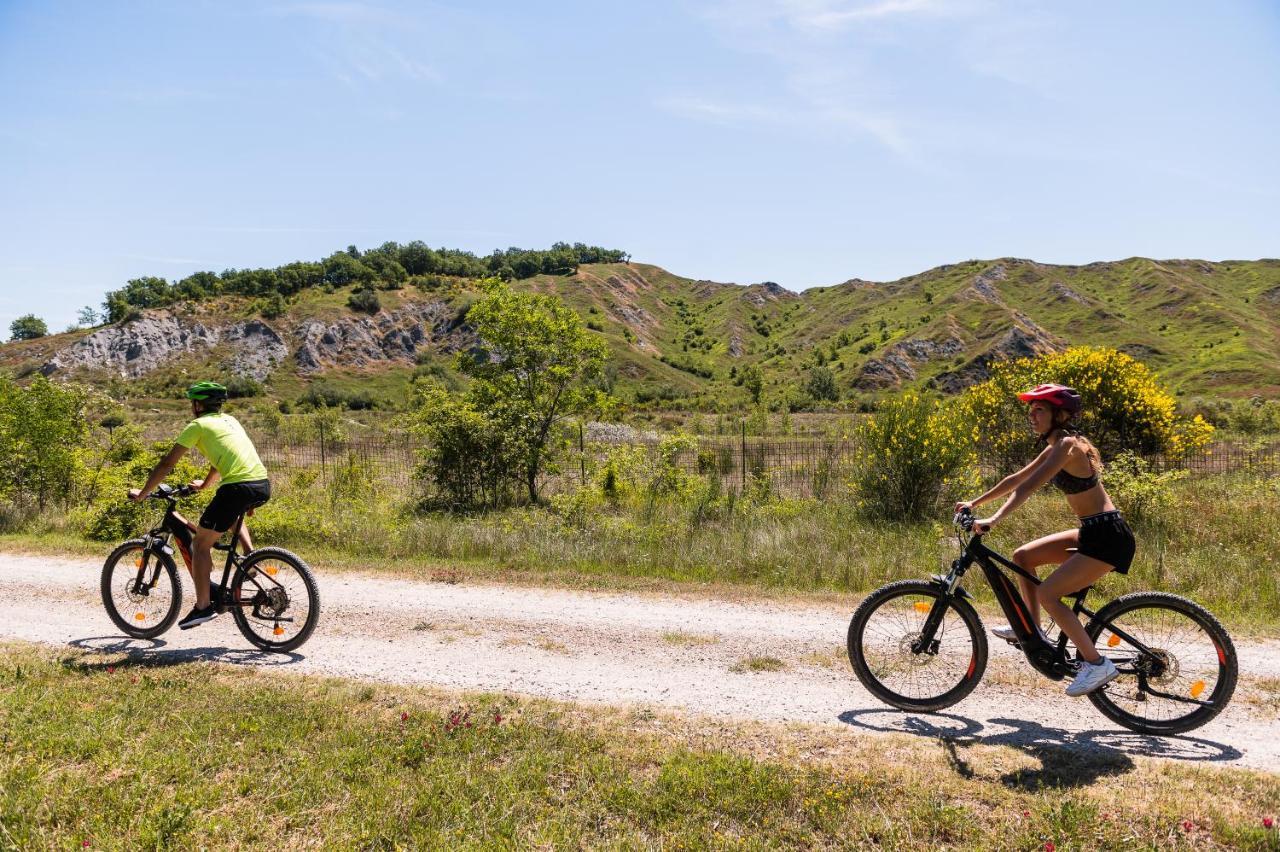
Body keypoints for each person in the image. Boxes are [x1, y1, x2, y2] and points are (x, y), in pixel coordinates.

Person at [955, 383, 1136, 697]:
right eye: (1031, 409)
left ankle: (1096, 664)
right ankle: (1033, 629)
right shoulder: (1056, 445)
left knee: (1049, 595)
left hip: (1108, 536)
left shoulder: (1069, 445)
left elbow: (1028, 488)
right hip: (1092, 531)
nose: (1032, 415)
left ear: (1059, 414)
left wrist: (993, 520)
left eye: (1040, 409)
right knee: (1023, 556)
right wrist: (975, 502)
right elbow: (1015, 479)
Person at [130, 381, 271, 630]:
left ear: (197, 404)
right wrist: (206, 484)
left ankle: (203, 607)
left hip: (237, 487)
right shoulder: (230, 421)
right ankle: (251, 558)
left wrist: (143, 493)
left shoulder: (197, 425)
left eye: (192, 403)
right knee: (229, 513)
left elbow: (167, 464)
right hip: (260, 483)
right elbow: (221, 458)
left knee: (200, 544)